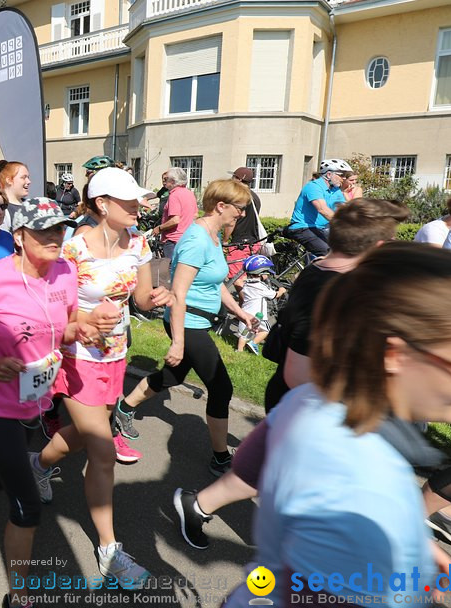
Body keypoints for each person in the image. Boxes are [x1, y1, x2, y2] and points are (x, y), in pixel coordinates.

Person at [223, 242, 451, 607]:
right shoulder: (370, 479)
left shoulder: (307, 401)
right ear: (396, 356)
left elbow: (251, 465)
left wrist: (405, 540)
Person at [0, 199, 135, 606]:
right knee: (25, 505)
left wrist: (88, 330)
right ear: (19, 238)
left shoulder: (65, 271)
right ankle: (19, 598)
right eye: (44, 232)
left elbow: (67, 328)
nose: (55, 239)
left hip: (33, 399)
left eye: (60, 230)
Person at [174, 198, 410, 550]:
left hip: (304, 401)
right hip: (303, 401)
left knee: (271, 471)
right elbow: (298, 371)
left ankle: (198, 506)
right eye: (389, 241)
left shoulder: (329, 271)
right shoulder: (325, 287)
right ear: (376, 246)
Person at [32, 169, 172, 583]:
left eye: (138, 201)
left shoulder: (141, 244)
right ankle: (111, 555)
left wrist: (159, 298)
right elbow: (50, 307)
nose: (138, 207)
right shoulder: (72, 249)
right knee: (102, 449)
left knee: (82, 436)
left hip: (116, 357)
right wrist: (86, 317)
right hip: (76, 357)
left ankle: (37, 464)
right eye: (128, 201)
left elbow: (143, 300)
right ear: (102, 204)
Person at [115, 179, 258, 474]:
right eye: (240, 208)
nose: (242, 214)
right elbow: (178, 293)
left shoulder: (213, 236)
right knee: (221, 388)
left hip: (196, 321)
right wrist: (177, 342)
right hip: (187, 322)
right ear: (221, 206)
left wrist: (239, 312)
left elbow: (215, 282)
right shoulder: (196, 240)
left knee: (173, 376)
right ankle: (220, 457)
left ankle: (124, 408)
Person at [285, 158, 353, 257]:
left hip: (320, 228)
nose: (344, 178)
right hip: (302, 228)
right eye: (341, 175)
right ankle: (312, 272)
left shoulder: (335, 190)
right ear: (329, 174)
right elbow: (322, 209)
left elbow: (342, 209)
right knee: (328, 254)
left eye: (345, 176)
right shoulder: (313, 187)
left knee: (347, 249)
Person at [234, 255, 285, 355]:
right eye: (266, 273)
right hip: (258, 316)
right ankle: (253, 343)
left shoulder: (246, 284)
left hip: (245, 313)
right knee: (265, 331)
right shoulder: (261, 287)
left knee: (244, 334)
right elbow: (274, 295)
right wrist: (281, 291)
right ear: (261, 274)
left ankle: (239, 350)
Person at [223, 167, 265, 283]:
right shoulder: (255, 197)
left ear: (239, 179)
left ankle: (247, 301)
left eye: (233, 177)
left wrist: (225, 241)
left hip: (239, 243)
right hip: (254, 242)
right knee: (251, 277)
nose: (231, 179)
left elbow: (231, 221)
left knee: (236, 278)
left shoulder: (238, 197)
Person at [151, 167, 197, 260]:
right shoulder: (189, 193)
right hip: (187, 238)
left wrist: (159, 228)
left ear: (172, 181)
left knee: (172, 269)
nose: (165, 182)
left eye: (166, 179)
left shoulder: (174, 195)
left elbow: (175, 220)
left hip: (173, 240)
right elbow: (195, 215)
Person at [0, 161, 31, 232]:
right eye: (23, 177)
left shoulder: (30, 206)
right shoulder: (1, 209)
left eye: (28, 177)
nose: (28, 181)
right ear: (9, 180)